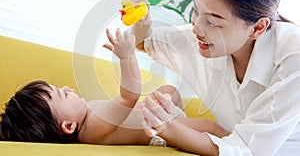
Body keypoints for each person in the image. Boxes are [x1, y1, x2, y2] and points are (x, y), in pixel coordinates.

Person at [129, 0, 300, 155]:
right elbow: (144, 41)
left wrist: (168, 127)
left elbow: (247, 150)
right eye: (196, 11)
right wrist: (142, 21)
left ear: (257, 28)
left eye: (212, 23)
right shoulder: (205, 39)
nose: (196, 28)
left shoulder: (292, 57)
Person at [0, 28, 228, 146]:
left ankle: (182, 121)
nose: (68, 87)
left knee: (169, 92)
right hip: (161, 132)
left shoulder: (88, 119)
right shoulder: (94, 126)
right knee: (210, 127)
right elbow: (129, 96)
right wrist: (126, 56)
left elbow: (128, 108)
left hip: (154, 120)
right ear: (68, 126)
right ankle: (246, 147)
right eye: (63, 93)